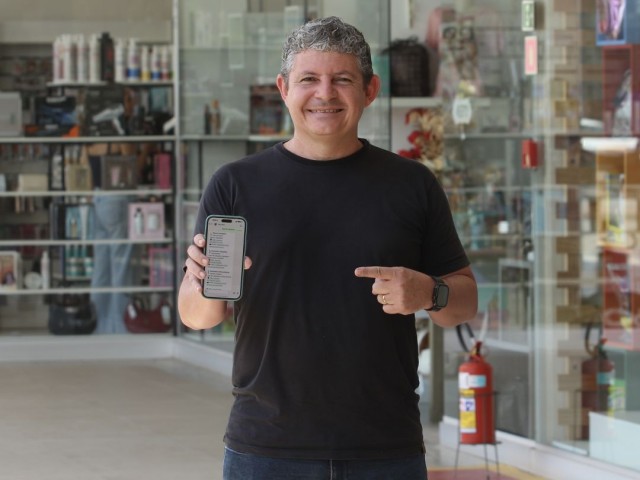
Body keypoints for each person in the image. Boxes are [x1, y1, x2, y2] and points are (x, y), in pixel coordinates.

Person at [179, 16, 478, 480]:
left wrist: (429, 292)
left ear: (370, 90)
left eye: (342, 80)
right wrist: (202, 284)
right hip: (266, 447)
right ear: (283, 88)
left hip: (386, 448)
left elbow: (464, 302)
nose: (325, 94)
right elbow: (197, 316)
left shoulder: (411, 184)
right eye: (308, 80)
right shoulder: (236, 185)